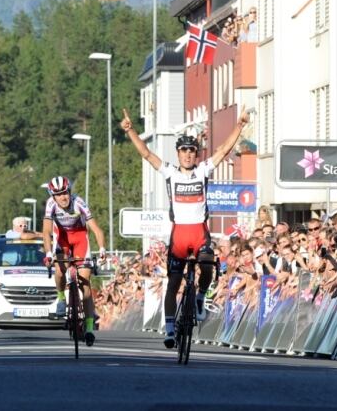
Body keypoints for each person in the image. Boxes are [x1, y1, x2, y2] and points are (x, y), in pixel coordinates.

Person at [121, 105, 251, 348]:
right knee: (173, 283)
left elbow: (223, 150)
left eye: (192, 151)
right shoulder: (170, 172)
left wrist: (240, 125)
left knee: (207, 266)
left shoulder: (203, 170)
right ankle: (170, 328)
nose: (188, 155)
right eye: (184, 151)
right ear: (178, 153)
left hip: (199, 232)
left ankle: (201, 297)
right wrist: (130, 132)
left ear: (196, 154)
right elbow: (147, 154)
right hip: (179, 234)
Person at [41, 175, 106, 347]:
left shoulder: (79, 203)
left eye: (65, 193)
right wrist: (48, 252)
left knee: (85, 284)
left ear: (70, 191)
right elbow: (47, 231)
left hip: (79, 239)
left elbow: (97, 230)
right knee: (59, 270)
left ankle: (90, 328)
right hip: (62, 239)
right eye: (58, 194)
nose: (63, 197)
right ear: (53, 196)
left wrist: (102, 249)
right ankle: (61, 297)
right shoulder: (50, 205)